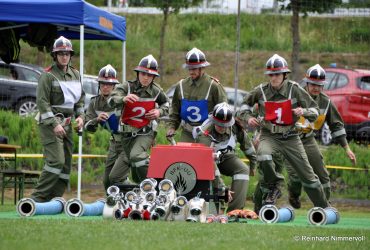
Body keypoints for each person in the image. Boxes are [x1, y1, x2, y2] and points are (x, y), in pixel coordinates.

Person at [237, 54, 329, 213]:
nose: (274, 78)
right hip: (268, 135)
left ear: (284, 74)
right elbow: (243, 105)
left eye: (277, 74)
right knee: (263, 156)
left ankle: (324, 208)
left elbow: (315, 110)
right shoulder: (260, 91)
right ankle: (275, 185)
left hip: (291, 137)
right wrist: (249, 117)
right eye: (271, 74)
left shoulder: (295, 89)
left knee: (308, 176)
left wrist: (304, 111)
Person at [286, 64, 357, 208]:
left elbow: (336, 125)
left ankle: (325, 206)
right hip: (290, 141)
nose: (316, 88)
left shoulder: (326, 102)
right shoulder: (293, 96)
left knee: (322, 174)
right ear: (307, 83)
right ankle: (294, 195)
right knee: (295, 177)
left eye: (319, 85)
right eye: (313, 84)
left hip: (308, 140)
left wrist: (347, 149)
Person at [31, 36, 84, 202]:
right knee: (56, 161)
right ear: (55, 55)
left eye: (67, 53)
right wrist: (54, 124)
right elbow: (42, 103)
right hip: (50, 124)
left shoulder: (76, 74)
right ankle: (37, 198)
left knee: (66, 165)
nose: (64, 56)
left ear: (70, 55)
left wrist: (81, 117)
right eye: (60, 53)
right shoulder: (47, 76)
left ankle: (54, 199)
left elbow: (80, 99)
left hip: (68, 126)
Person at [108, 55, 169, 183]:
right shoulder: (127, 87)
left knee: (136, 156)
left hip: (145, 133)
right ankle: (136, 192)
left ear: (154, 77)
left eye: (150, 75)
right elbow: (111, 99)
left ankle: (156, 185)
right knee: (114, 177)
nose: (146, 78)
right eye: (143, 74)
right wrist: (123, 99)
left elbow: (167, 104)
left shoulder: (157, 91)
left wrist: (159, 111)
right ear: (138, 73)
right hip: (126, 136)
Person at [193, 102, 257, 212]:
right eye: (219, 124)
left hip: (225, 157)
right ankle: (217, 206)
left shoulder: (235, 128)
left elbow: (249, 148)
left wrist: (253, 166)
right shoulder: (204, 132)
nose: (222, 128)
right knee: (211, 167)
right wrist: (222, 188)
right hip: (205, 163)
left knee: (243, 169)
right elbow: (207, 161)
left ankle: (235, 211)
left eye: (225, 125)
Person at [166, 47, 227, 144]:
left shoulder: (214, 86)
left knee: (203, 158)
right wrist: (172, 127)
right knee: (183, 157)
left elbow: (224, 112)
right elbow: (175, 110)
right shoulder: (181, 85)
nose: (191, 71)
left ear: (203, 67)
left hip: (207, 132)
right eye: (189, 68)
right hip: (187, 132)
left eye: (194, 68)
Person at [85, 64, 130, 193]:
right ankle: (112, 203)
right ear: (99, 85)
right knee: (106, 181)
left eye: (109, 84)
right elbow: (88, 126)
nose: (105, 87)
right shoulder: (94, 102)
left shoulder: (123, 101)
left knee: (115, 178)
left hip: (128, 142)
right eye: (102, 84)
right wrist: (96, 120)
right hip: (113, 143)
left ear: (114, 86)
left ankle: (134, 193)